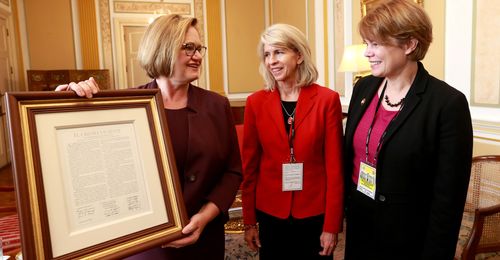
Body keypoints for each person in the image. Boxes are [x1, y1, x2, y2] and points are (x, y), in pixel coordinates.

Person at [56, 14, 242, 260]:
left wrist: (204, 217)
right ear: (161, 48)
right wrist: (65, 104)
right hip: (146, 246)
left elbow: (232, 171)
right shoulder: (124, 104)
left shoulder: (217, 105)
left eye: (199, 48)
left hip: (205, 239)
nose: (197, 56)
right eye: (188, 47)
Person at [343, 1, 473, 259]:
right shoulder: (363, 89)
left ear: (410, 44)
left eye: (376, 44)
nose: (367, 53)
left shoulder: (447, 104)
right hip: (359, 225)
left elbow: (448, 198)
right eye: (366, 43)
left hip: (408, 236)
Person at [241, 23, 344, 259]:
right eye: (267, 54)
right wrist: (249, 221)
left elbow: (335, 168)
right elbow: (250, 167)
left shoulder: (327, 100)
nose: (271, 61)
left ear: (298, 55)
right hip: (270, 212)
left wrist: (332, 226)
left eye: (279, 52)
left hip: (314, 212)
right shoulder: (255, 103)